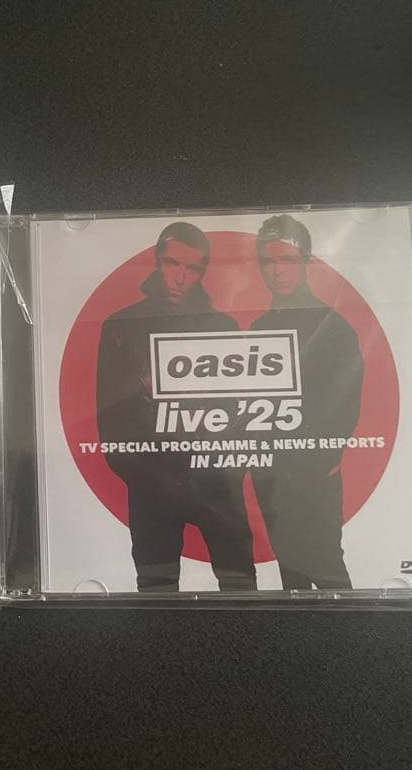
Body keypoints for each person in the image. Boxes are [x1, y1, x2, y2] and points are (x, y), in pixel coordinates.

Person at [96, 223, 257, 592]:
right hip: (151, 487)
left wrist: (229, 472)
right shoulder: (121, 325)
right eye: (172, 264)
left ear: (202, 272)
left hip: (216, 484)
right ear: (157, 261)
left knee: (242, 590)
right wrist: (147, 479)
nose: (181, 278)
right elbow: (109, 420)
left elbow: (241, 412)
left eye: (192, 268)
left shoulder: (223, 327)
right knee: (156, 594)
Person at [250, 215, 363, 590]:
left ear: (306, 262)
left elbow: (346, 405)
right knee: (290, 572)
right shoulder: (260, 329)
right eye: (269, 261)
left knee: (327, 567)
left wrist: (323, 462)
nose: (277, 270)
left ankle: (350, 627)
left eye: (287, 259)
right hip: (271, 475)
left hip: (315, 474)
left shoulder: (334, 327)